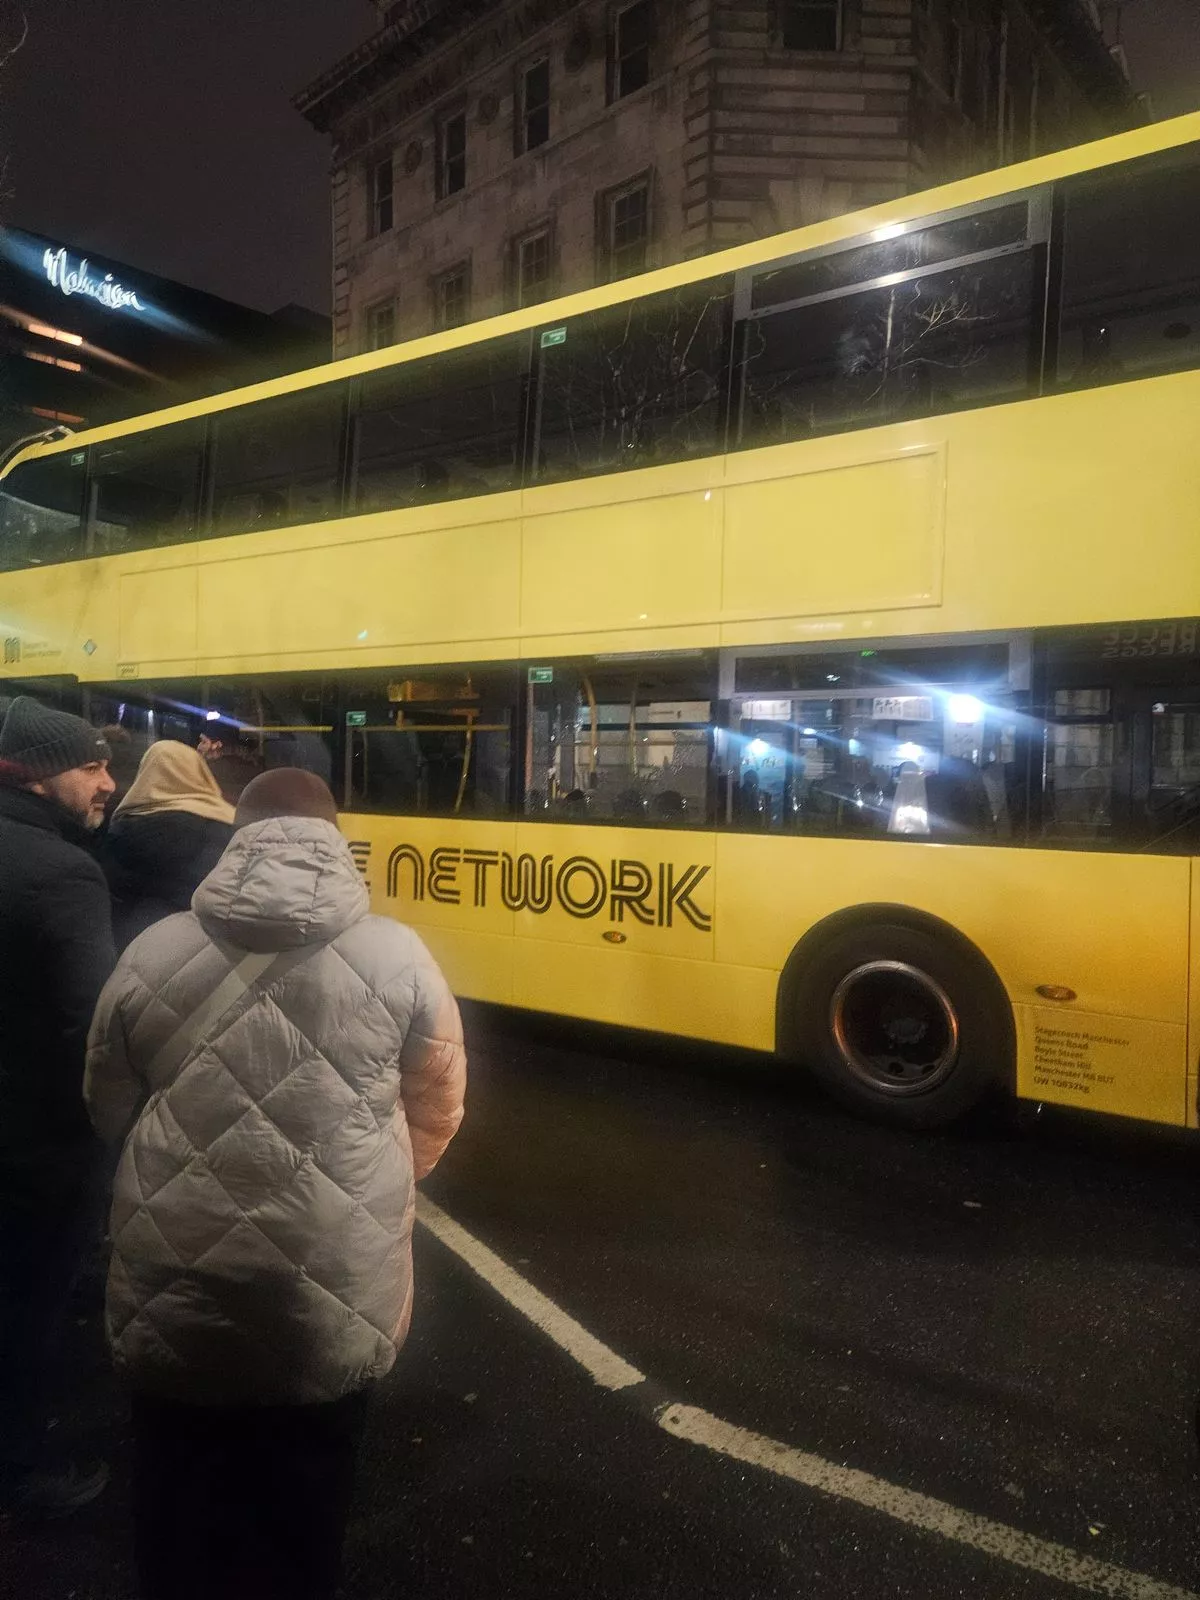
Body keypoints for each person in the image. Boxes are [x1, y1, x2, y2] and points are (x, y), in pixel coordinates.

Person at [85, 767, 466, 1600]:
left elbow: (106, 1096)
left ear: (237, 839)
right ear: (336, 839)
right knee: (310, 1481)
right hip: (331, 1260)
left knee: (176, 1472)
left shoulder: (156, 947)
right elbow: (438, 1101)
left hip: (176, 1248)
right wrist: (378, 1183)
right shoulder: (398, 953)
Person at [0, 696, 116, 1516]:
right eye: (92, 766)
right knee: (27, 1305)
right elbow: (94, 1027)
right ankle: (18, 1469)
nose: (109, 782)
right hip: (34, 1144)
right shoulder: (62, 873)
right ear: (40, 777)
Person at [100, 740, 236, 950]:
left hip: (138, 944)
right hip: (215, 946)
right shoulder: (232, 825)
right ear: (201, 772)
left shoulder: (122, 830)